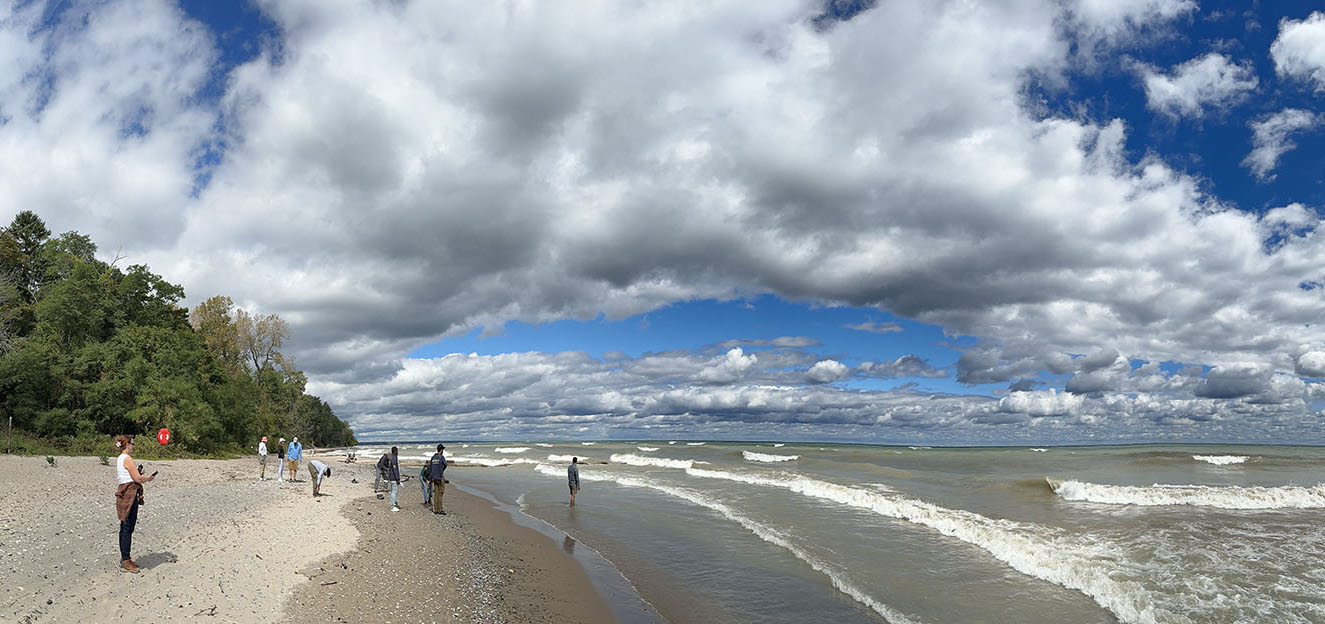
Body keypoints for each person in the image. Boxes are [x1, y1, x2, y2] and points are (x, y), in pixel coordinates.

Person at [113, 435, 155, 573]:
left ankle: (125, 557)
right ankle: (126, 559)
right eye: (132, 444)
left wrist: (138, 472)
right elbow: (137, 479)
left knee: (125, 525)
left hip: (125, 492)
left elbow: (129, 475)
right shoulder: (128, 459)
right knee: (127, 527)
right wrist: (148, 478)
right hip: (130, 494)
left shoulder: (120, 458)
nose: (133, 446)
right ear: (127, 445)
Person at [427, 444, 448, 514]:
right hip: (440, 476)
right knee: (440, 493)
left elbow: (430, 468)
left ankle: (436, 509)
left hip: (434, 477)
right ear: (441, 450)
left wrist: (429, 478)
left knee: (436, 493)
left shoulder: (433, 457)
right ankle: (440, 509)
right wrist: (442, 470)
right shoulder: (441, 457)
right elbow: (445, 464)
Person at [386, 446, 401, 511]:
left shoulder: (392, 457)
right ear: (395, 451)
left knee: (394, 491)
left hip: (391, 477)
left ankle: (394, 503)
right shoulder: (394, 458)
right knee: (394, 491)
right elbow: (395, 469)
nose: (398, 452)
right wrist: (397, 478)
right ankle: (392, 506)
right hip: (393, 478)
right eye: (397, 451)